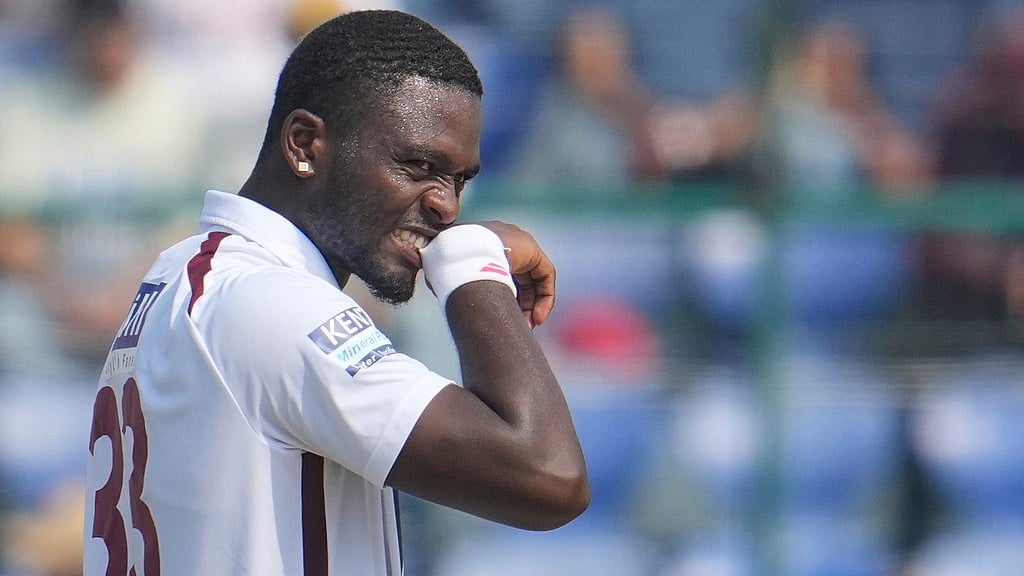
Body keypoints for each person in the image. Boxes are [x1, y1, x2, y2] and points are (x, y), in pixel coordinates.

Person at [82, 9, 590, 576]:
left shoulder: (184, 272)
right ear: (304, 144)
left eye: (460, 181)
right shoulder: (267, 301)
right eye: (418, 165)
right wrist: (474, 263)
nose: (447, 206)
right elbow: (550, 476)